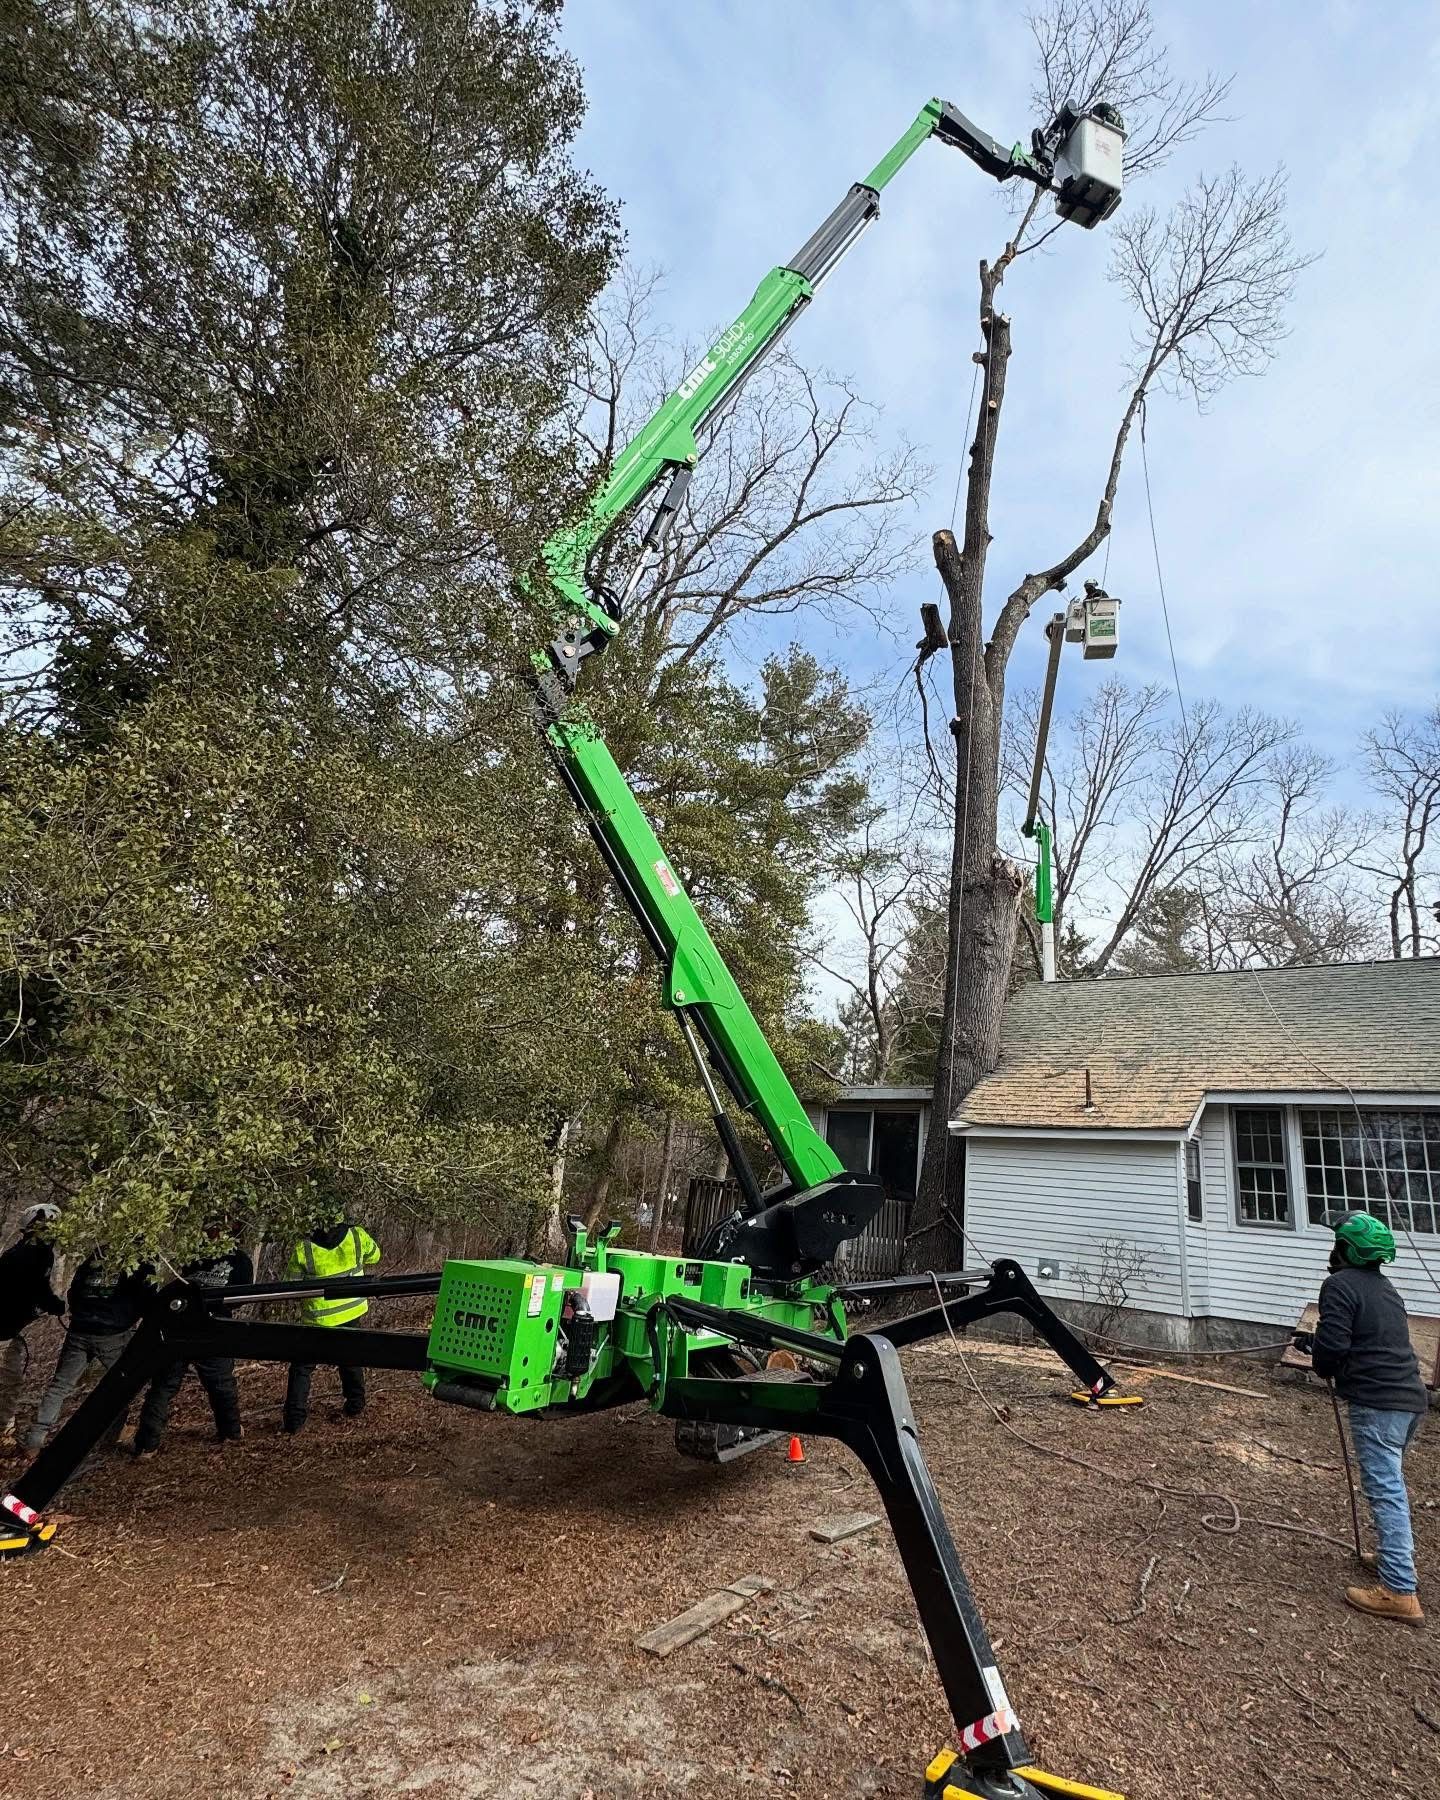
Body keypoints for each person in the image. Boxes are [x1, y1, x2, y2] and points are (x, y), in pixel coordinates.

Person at [1309, 1210, 1427, 1626]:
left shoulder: (1339, 1285)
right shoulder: (1384, 1288)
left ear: (1347, 1250)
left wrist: (1321, 1361)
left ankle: (1398, 1590)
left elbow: (1335, 1343)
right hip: (1409, 1400)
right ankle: (1394, 1558)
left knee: (1385, 1489)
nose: (1332, 1247)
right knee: (1391, 1483)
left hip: (1376, 1403)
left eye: (1337, 1241)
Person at [131, 1240, 253, 1459]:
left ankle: (230, 1432)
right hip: (195, 1327)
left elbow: (240, 1297)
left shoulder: (237, 1259)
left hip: (203, 1327)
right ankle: (147, 1444)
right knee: (180, 1384)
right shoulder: (200, 1253)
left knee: (211, 1384)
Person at [25, 1253, 151, 1452]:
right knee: (123, 1384)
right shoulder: (139, 1261)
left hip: (80, 1329)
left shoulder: (95, 1256)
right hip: (112, 1334)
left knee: (60, 1386)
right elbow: (147, 1297)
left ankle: (35, 1438)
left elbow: (74, 1293)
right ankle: (113, 1434)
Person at [282, 1217, 381, 1434]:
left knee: (302, 1368)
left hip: (318, 1319)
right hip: (352, 1311)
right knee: (350, 1359)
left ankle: (294, 1419)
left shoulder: (304, 1247)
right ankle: (356, 1404)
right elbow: (375, 1255)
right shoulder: (357, 1235)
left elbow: (291, 1283)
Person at [0, 1205, 66, 1446]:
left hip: (9, 1329)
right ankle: (4, 1430)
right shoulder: (35, 1255)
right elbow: (36, 1288)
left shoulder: (15, 1253)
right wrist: (53, 1304)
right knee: (9, 1382)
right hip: (4, 1331)